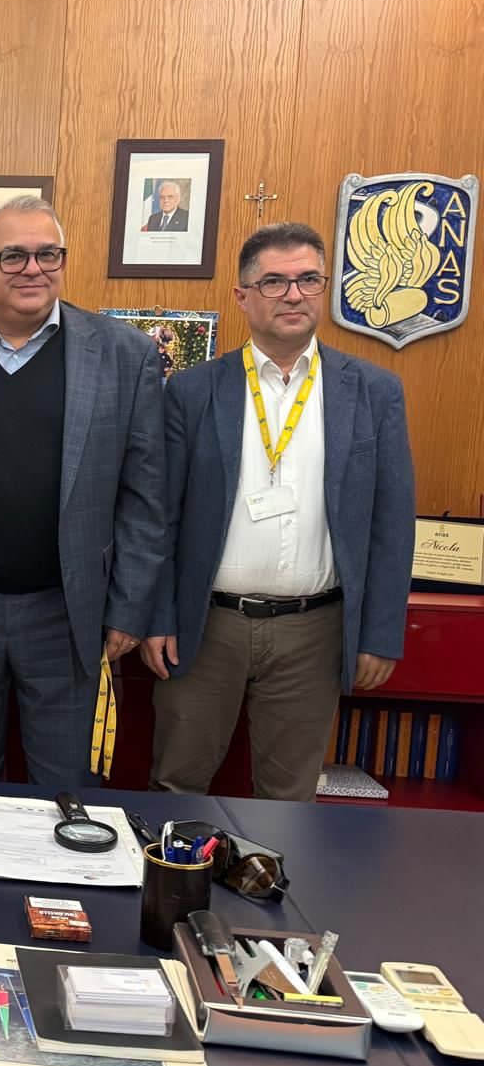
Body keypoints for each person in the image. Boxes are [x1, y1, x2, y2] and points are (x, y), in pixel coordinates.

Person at [142, 222, 416, 801]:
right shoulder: (192, 391)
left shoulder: (373, 391)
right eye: (274, 282)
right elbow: (161, 517)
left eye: (308, 279)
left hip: (314, 630)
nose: (293, 294)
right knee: (177, 785)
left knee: (290, 802)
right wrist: (157, 616)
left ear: (324, 289)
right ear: (242, 296)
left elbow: (392, 524)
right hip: (204, 627)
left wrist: (380, 633)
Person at [0, 195, 166, 788]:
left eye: (48, 254)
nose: (33, 269)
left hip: (69, 614)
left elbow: (145, 497)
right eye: (13, 256)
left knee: (68, 790)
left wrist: (129, 606)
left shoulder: (124, 354)